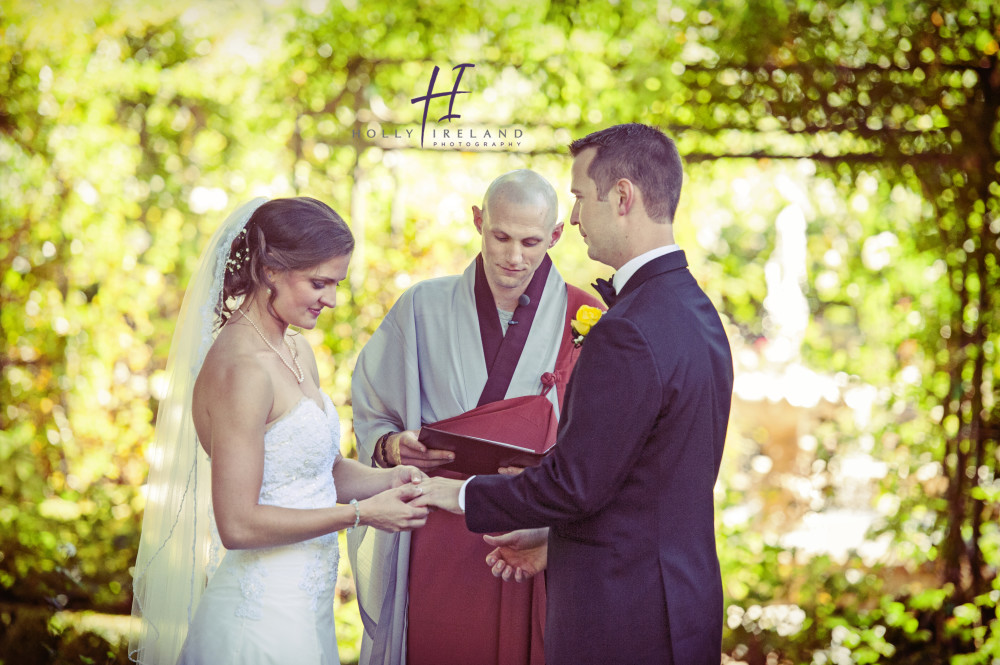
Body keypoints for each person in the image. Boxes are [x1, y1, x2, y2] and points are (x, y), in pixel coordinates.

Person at [415, 124, 735, 665]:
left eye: (581, 198)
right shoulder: (696, 312)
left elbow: (575, 485)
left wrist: (458, 493)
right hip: (684, 604)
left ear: (623, 196)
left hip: (621, 621)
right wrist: (553, 539)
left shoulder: (627, 329)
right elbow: (650, 481)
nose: (578, 217)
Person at [129, 197, 429, 665]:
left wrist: (393, 480)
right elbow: (238, 524)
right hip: (256, 623)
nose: (330, 299)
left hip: (306, 612)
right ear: (269, 269)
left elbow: (316, 473)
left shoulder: (295, 349)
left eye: (336, 284)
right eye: (318, 283)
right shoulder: (242, 370)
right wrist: (361, 514)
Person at [347, 169, 603, 665]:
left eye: (531, 242)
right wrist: (392, 446)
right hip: (437, 525)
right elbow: (372, 408)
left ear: (554, 235)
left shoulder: (585, 313)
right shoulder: (422, 307)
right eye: (500, 236)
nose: (513, 256)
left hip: (529, 529)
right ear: (478, 221)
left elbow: (602, 440)